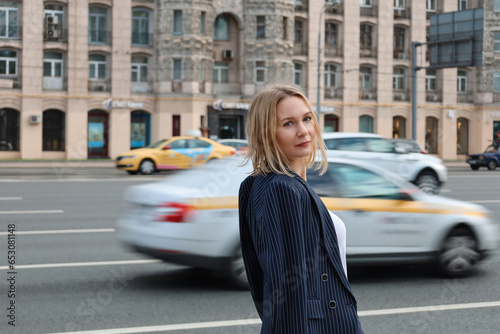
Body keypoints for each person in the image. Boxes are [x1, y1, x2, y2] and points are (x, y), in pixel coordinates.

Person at [238, 84, 364, 333]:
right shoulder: (281, 189)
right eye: (288, 123)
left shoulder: (270, 184)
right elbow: (285, 288)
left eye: (307, 119)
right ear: (266, 134)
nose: (304, 131)